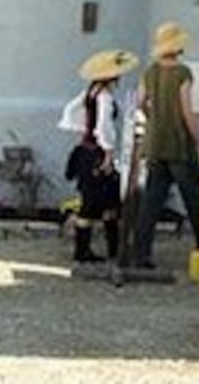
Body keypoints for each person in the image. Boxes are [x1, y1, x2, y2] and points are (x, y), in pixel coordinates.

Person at [133, 22, 199, 269]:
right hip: (179, 145)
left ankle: (141, 253)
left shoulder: (149, 72)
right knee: (195, 200)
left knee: (151, 201)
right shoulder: (182, 73)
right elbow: (187, 113)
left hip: (156, 144)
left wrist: (154, 119)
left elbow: (140, 102)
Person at [59, 48, 138, 265]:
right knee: (100, 203)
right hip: (97, 153)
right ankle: (97, 249)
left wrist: (83, 130)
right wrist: (108, 153)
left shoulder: (89, 92)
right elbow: (104, 126)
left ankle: (102, 248)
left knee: (100, 201)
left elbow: (71, 111)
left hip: (86, 150)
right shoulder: (103, 96)